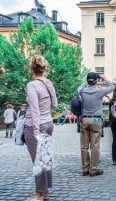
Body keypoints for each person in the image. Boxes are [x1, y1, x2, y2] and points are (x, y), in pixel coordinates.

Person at [24, 55, 58, 201]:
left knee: (38, 160)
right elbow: (55, 104)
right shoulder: (49, 83)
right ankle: (45, 191)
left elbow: (34, 110)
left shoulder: (32, 85)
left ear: (32, 68)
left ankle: (39, 193)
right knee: (45, 158)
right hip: (48, 123)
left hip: (34, 125)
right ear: (44, 68)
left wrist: (36, 130)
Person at [80, 72, 114, 177]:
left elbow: (80, 86)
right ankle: (93, 169)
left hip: (84, 119)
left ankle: (85, 169)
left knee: (84, 146)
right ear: (96, 81)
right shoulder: (100, 91)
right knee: (95, 146)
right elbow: (112, 86)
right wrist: (104, 78)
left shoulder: (82, 91)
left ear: (87, 81)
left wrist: (88, 80)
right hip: (95, 120)